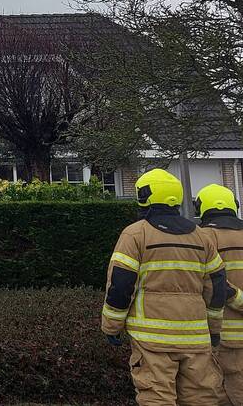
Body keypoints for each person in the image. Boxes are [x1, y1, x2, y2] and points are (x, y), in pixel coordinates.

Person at [102, 168, 227, 405]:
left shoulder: (135, 234)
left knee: (157, 398)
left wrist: (111, 326)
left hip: (151, 340)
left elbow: (120, 285)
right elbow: (216, 287)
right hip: (195, 338)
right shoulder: (202, 238)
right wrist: (214, 329)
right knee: (201, 398)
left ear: (145, 197)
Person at [197, 184, 243, 405]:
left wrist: (236, 297)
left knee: (222, 392)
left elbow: (210, 283)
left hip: (219, 334)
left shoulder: (203, 238)